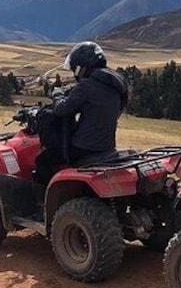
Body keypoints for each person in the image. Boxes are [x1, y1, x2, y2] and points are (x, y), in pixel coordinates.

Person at [33, 41, 128, 186]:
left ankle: (47, 200)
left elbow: (61, 109)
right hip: (107, 145)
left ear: (81, 66)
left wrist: (57, 94)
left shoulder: (86, 86)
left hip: (84, 147)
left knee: (42, 160)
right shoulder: (116, 84)